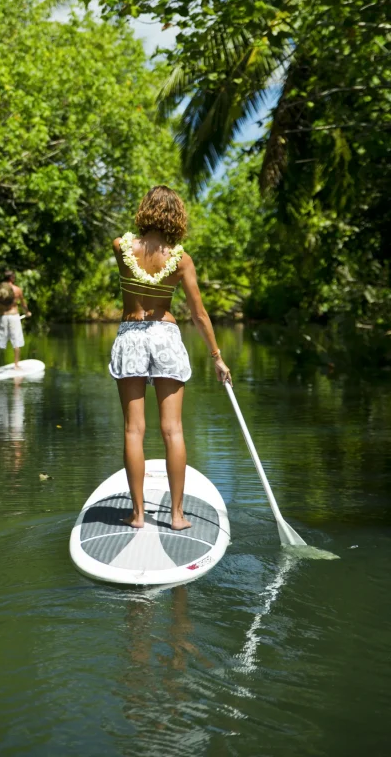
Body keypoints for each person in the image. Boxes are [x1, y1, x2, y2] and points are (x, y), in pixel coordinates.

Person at [109, 185, 232, 531]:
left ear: (145, 210)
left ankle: (137, 516)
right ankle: (177, 517)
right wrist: (217, 357)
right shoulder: (181, 260)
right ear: (177, 216)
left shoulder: (121, 248)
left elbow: (128, 245)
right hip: (165, 334)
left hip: (131, 335)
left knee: (134, 429)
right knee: (173, 429)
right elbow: (199, 314)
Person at [0, 270, 31, 370]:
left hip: (3, 316)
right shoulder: (17, 290)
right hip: (14, 316)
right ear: (12, 278)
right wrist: (27, 313)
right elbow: (23, 304)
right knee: (16, 340)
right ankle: (16, 365)